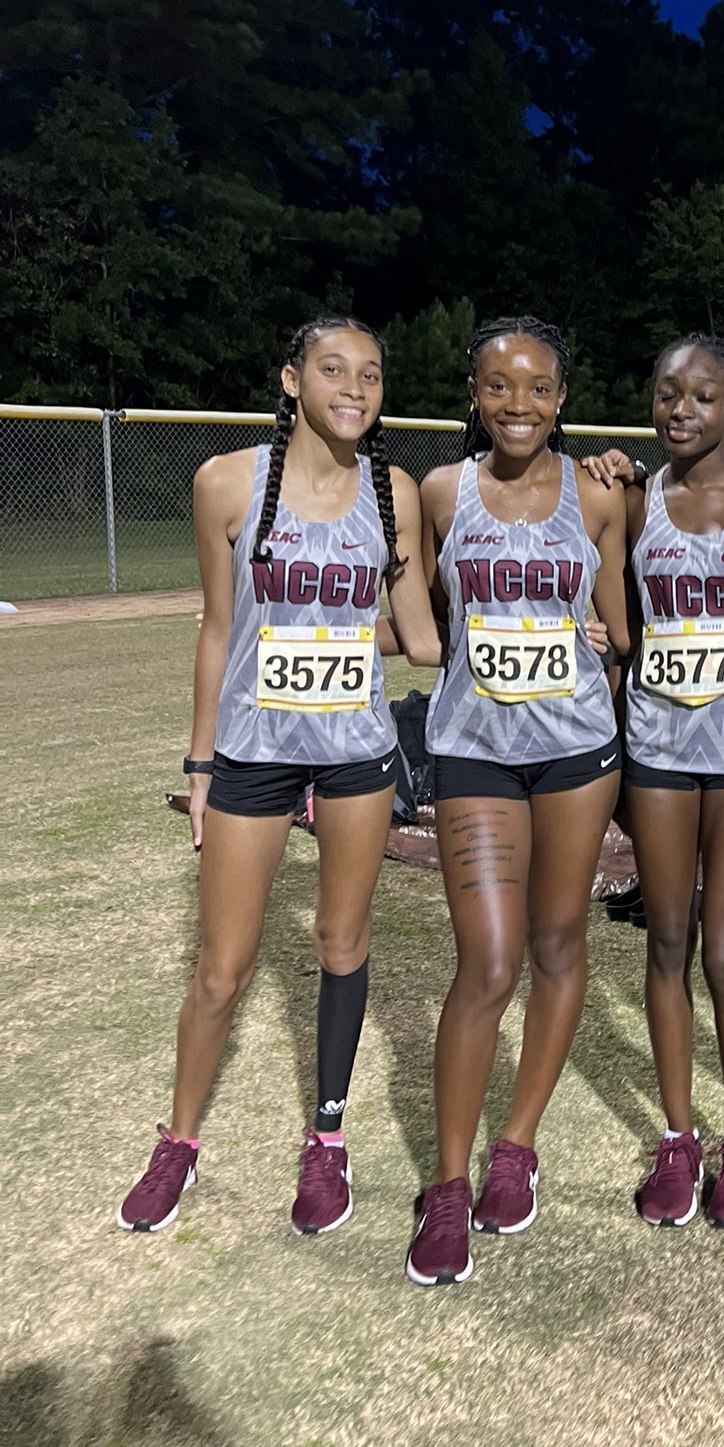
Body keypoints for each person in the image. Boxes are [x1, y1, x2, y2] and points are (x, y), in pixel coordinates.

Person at [117, 318, 439, 1238]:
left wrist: (526, 630)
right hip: (256, 753)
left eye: (371, 374)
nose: (354, 387)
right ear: (291, 380)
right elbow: (221, 630)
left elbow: (415, 636)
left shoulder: (396, 493)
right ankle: (178, 1141)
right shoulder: (226, 484)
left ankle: (327, 1138)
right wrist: (201, 761)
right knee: (223, 969)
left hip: (356, 754)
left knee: (342, 939)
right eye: (333, 369)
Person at [402, 317, 629, 1288]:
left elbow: (618, 623)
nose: (519, 403)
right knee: (487, 963)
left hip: (577, 750)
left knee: (557, 945)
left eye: (538, 386)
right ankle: (446, 1183)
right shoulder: (442, 492)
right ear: (472, 393)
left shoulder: (597, 493)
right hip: (475, 753)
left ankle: (517, 1144)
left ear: (563, 396)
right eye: (499, 385)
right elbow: (421, 621)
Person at [583, 336, 724, 1230]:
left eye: (703, 396)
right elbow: (617, 611)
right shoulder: (633, 506)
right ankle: (678, 1140)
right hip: (659, 752)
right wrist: (600, 468)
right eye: (667, 394)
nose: (681, 409)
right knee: (668, 943)